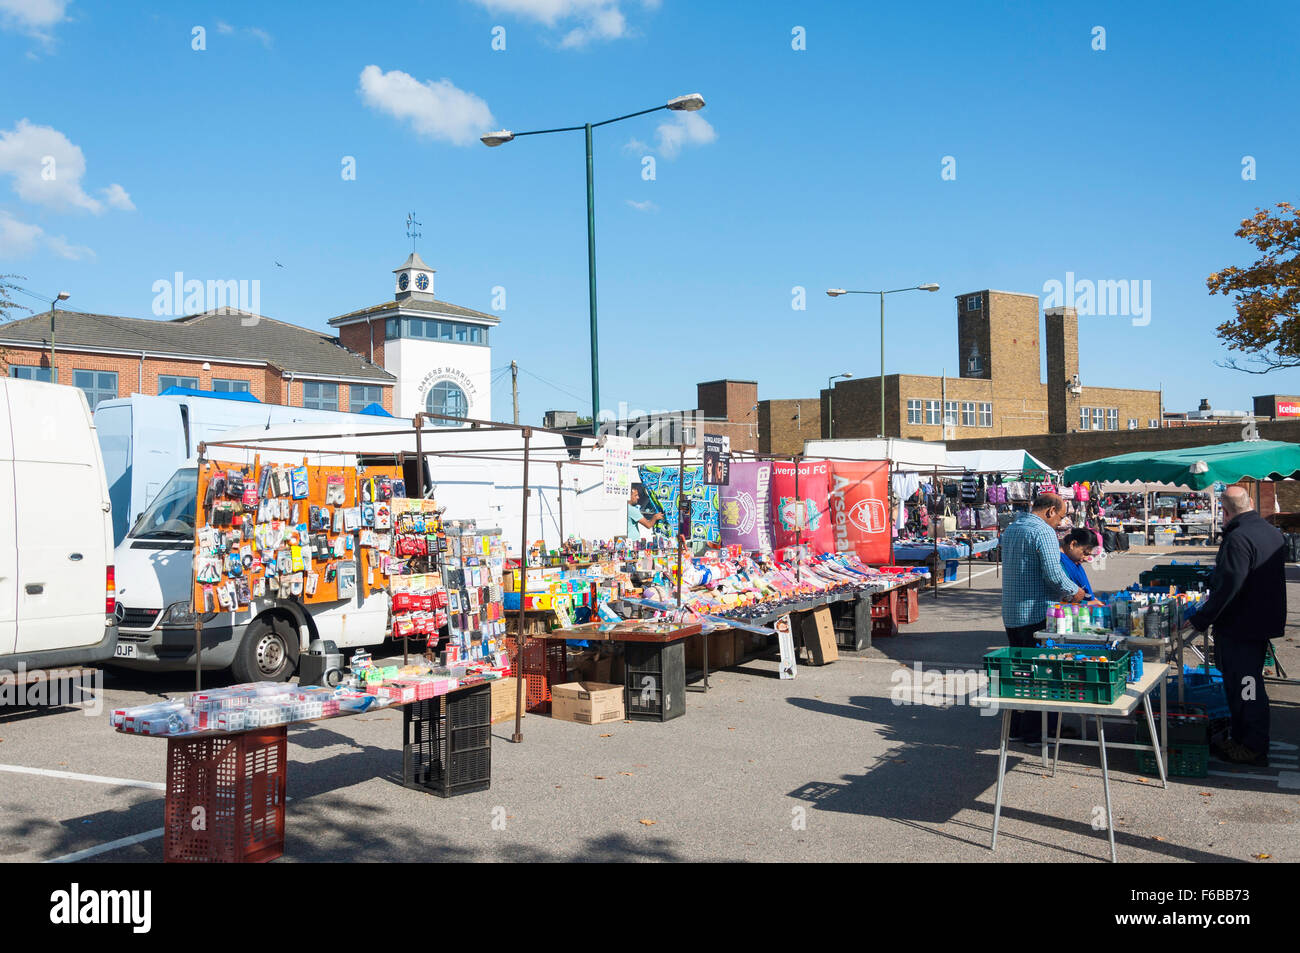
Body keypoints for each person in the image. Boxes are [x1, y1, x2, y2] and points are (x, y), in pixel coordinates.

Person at [1186, 486, 1285, 766]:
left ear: (1225, 511)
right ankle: (1244, 740)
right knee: (1248, 685)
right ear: (1251, 503)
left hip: (1241, 626)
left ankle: (1252, 747)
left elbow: (1229, 586)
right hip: (1259, 623)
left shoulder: (1238, 538)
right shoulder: (1270, 532)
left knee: (1246, 688)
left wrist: (1200, 619)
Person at [1000, 492, 1085, 744]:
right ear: (1049, 511)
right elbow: (1053, 573)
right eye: (1059, 517)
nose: (1060, 523)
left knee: (1020, 672)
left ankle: (1016, 728)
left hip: (1013, 612)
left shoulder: (1013, 527)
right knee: (1042, 674)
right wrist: (1074, 591)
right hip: (1036, 613)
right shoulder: (1043, 532)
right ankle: (1036, 732)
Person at [1059, 527, 1097, 599]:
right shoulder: (1058, 563)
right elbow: (1064, 598)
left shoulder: (1073, 561)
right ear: (1073, 544)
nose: (1086, 559)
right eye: (1085, 553)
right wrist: (1087, 604)